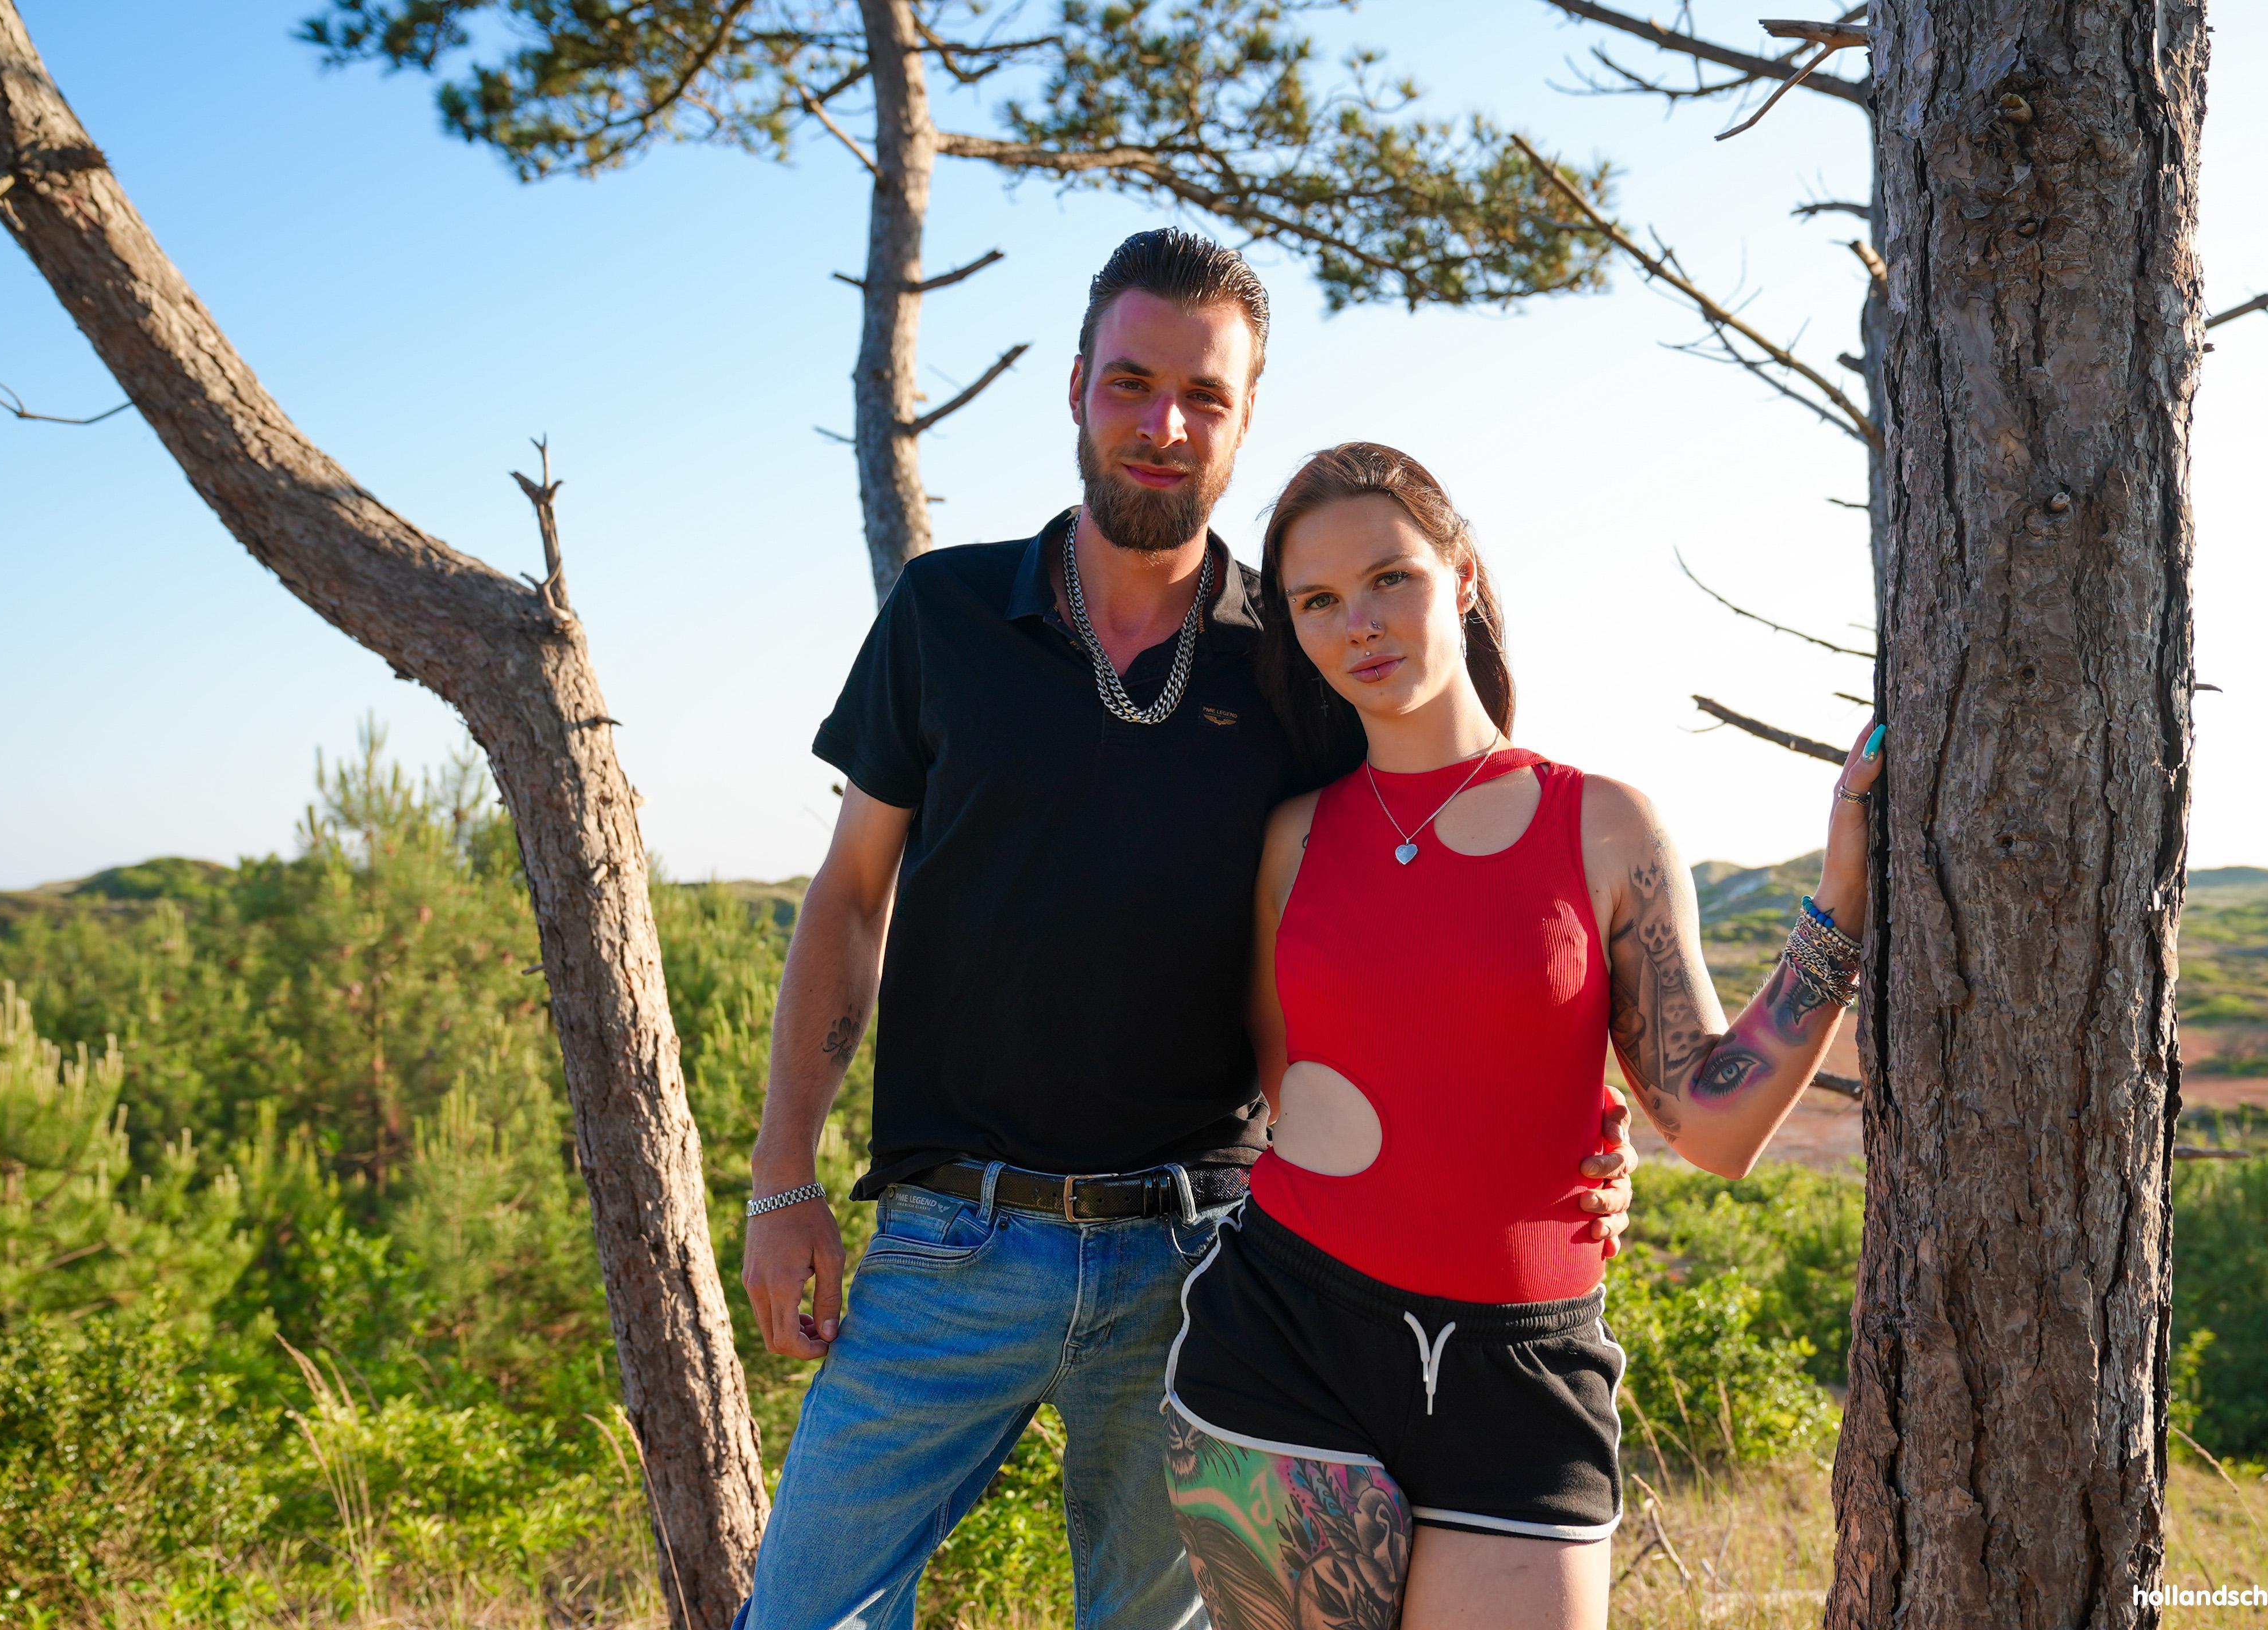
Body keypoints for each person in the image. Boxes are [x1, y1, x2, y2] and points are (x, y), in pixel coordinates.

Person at [730, 235, 1639, 1630]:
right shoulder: (945, 614)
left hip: (1204, 1261)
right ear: (1076, 390)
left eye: (1203, 396)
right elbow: (852, 895)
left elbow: (1433, 888)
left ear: (1244, 415)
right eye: (1131, 384)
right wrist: (781, 1174)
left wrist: (1570, 1123)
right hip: (947, 1245)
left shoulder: (1300, 647)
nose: (1163, 424)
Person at [1161, 443, 1885, 1630]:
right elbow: (1288, 1092)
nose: (1358, 623)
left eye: (1389, 578)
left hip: (1525, 1373)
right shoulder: (1290, 840)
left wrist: (1839, 905)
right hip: (1284, 1345)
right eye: (1317, 601)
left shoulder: (1604, 825)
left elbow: (1713, 1124)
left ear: (1461, 576)